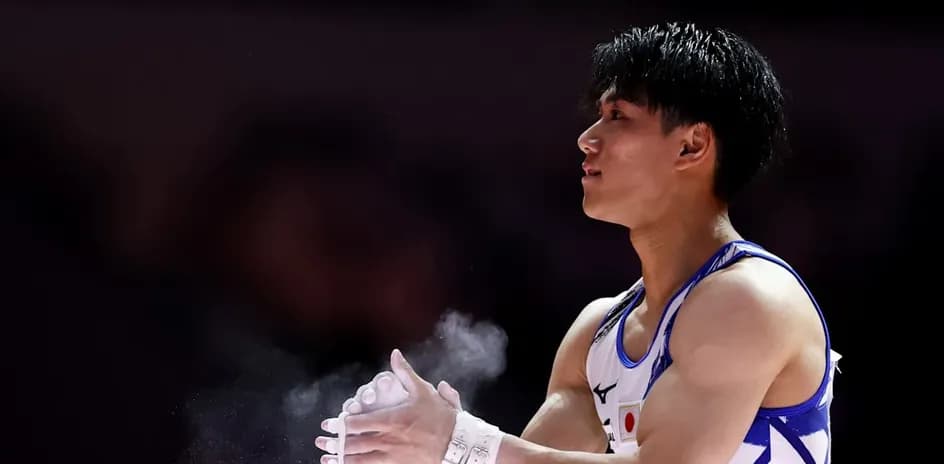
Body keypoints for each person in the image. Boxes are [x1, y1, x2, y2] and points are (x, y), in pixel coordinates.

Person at [315, 21, 841, 464]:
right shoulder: (597, 335)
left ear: (691, 144)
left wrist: (460, 440)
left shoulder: (750, 300)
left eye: (618, 117)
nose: (587, 137)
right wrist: (412, 446)